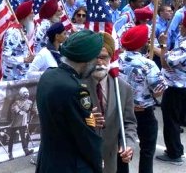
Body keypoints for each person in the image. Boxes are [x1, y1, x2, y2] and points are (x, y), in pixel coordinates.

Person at [36, 30, 104, 172]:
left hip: (47, 163)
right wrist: (98, 163)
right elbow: (85, 138)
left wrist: (87, 117)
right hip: (71, 166)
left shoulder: (48, 76)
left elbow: (64, 119)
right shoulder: (77, 89)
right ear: (86, 60)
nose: (97, 62)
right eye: (95, 58)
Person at [156, 11, 186, 165]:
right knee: (175, 118)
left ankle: (174, 153)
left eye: (184, 24)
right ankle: (176, 149)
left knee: (171, 120)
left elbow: (165, 62)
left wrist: (162, 44)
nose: (181, 26)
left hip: (177, 88)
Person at [85, 32, 136, 173]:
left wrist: (129, 145)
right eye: (95, 57)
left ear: (111, 58)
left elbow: (129, 123)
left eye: (103, 57)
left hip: (109, 161)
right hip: (81, 160)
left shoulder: (123, 88)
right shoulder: (76, 84)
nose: (99, 62)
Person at [120, 25, 166, 173]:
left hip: (121, 111)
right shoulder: (148, 64)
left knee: (122, 150)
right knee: (147, 150)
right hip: (143, 112)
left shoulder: (116, 60)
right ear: (143, 43)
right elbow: (159, 90)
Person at [2, 1, 34, 81]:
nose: (33, 15)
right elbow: (6, 56)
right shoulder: (13, 32)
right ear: (25, 16)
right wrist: (24, 60)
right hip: (12, 77)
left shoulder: (23, 29)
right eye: (31, 13)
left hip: (22, 75)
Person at [7, 87, 35, 160]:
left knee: (23, 137)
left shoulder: (30, 102)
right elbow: (14, 108)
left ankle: (26, 151)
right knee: (11, 138)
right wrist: (19, 111)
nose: (26, 94)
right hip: (16, 122)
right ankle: (10, 154)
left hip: (23, 122)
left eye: (27, 92)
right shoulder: (17, 102)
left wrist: (29, 118)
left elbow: (30, 111)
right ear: (21, 94)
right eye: (24, 93)